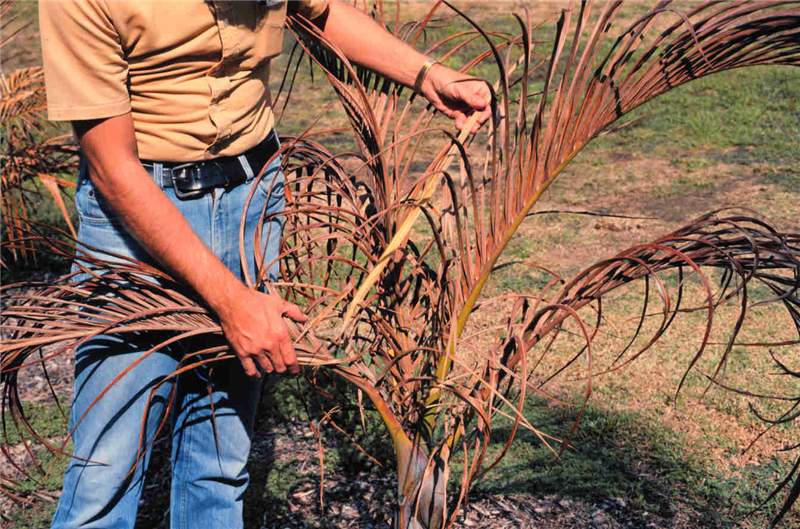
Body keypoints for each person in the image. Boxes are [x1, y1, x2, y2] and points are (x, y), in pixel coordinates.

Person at [38, 1, 491, 527]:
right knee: (105, 472)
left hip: (252, 202)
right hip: (137, 215)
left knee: (218, 467)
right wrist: (232, 302)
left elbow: (322, 11)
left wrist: (429, 75)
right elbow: (111, 167)